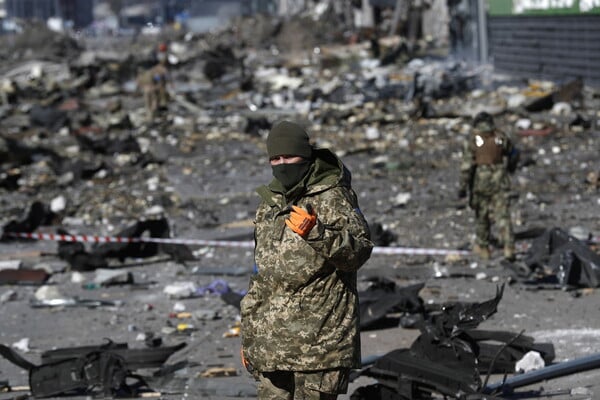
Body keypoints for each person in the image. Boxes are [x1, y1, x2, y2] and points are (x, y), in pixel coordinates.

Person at [240, 120, 374, 399]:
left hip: (319, 347)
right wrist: (251, 337)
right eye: (275, 158)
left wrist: (316, 233)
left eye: (289, 156)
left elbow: (358, 253)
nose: (282, 164)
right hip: (272, 344)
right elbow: (261, 277)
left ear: (306, 155)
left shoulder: (332, 196)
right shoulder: (270, 204)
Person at [459, 112, 519, 261]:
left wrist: (463, 186)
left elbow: (467, 166)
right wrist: (510, 169)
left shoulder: (475, 139)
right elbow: (513, 153)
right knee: (503, 215)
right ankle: (509, 248)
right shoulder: (499, 137)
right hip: (500, 178)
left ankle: (484, 249)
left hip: (481, 180)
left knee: (482, 215)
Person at [137, 43, 170, 120]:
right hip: (152, 89)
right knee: (154, 103)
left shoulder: (144, 72)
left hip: (147, 89)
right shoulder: (154, 71)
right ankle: (153, 115)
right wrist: (159, 85)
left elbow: (139, 82)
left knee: (149, 104)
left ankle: (150, 116)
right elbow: (159, 79)